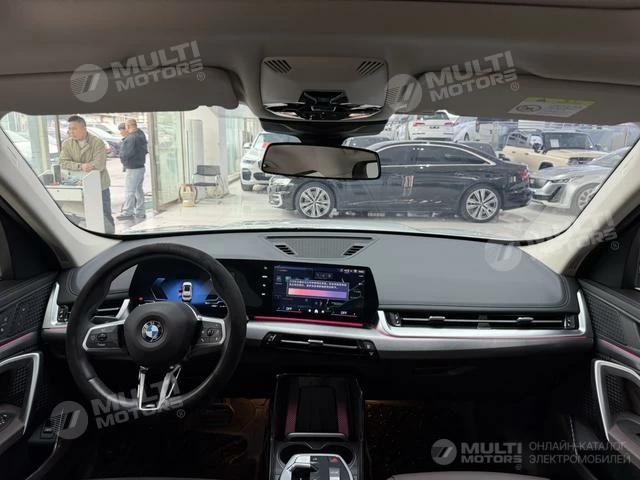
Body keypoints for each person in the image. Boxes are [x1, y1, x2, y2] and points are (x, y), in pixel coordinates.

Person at [59, 115, 115, 233]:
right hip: (79, 186)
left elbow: (99, 165)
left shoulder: (97, 142)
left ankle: (111, 236)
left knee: (104, 215)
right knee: (83, 215)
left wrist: (82, 166)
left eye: (74, 129)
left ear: (84, 128)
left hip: (100, 186)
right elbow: (63, 162)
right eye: (69, 129)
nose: (71, 132)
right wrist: (81, 166)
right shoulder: (67, 144)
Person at [117, 118, 148, 220]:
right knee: (138, 191)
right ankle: (140, 212)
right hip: (140, 167)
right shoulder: (141, 134)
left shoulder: (131, 138)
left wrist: (123, 161)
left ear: (128, 126)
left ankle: (127, 212)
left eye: (126, 126)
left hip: (133, 168)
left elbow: (127, 154)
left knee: (129, 191)